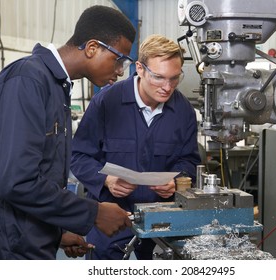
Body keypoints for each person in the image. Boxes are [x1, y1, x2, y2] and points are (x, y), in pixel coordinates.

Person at [0, 5, 136, 260]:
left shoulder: (57, 87)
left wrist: (56, 234)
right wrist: (94, 213)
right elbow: (16, 182)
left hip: (29, 236)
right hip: (6, 246)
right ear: (92, 48)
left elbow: (41, 175)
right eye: (119, 59)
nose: (121, 71)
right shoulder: (27, 80)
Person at [70, 34, 202, 260]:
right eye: (159, 78)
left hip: (163, 220)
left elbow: (189, 161)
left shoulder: (183, 111)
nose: (167, 87)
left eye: (174, 78)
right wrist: (106, 180)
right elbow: (79, 156)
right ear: (140, 68)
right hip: (111, 219)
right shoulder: (106, 102)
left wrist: (176, 182)